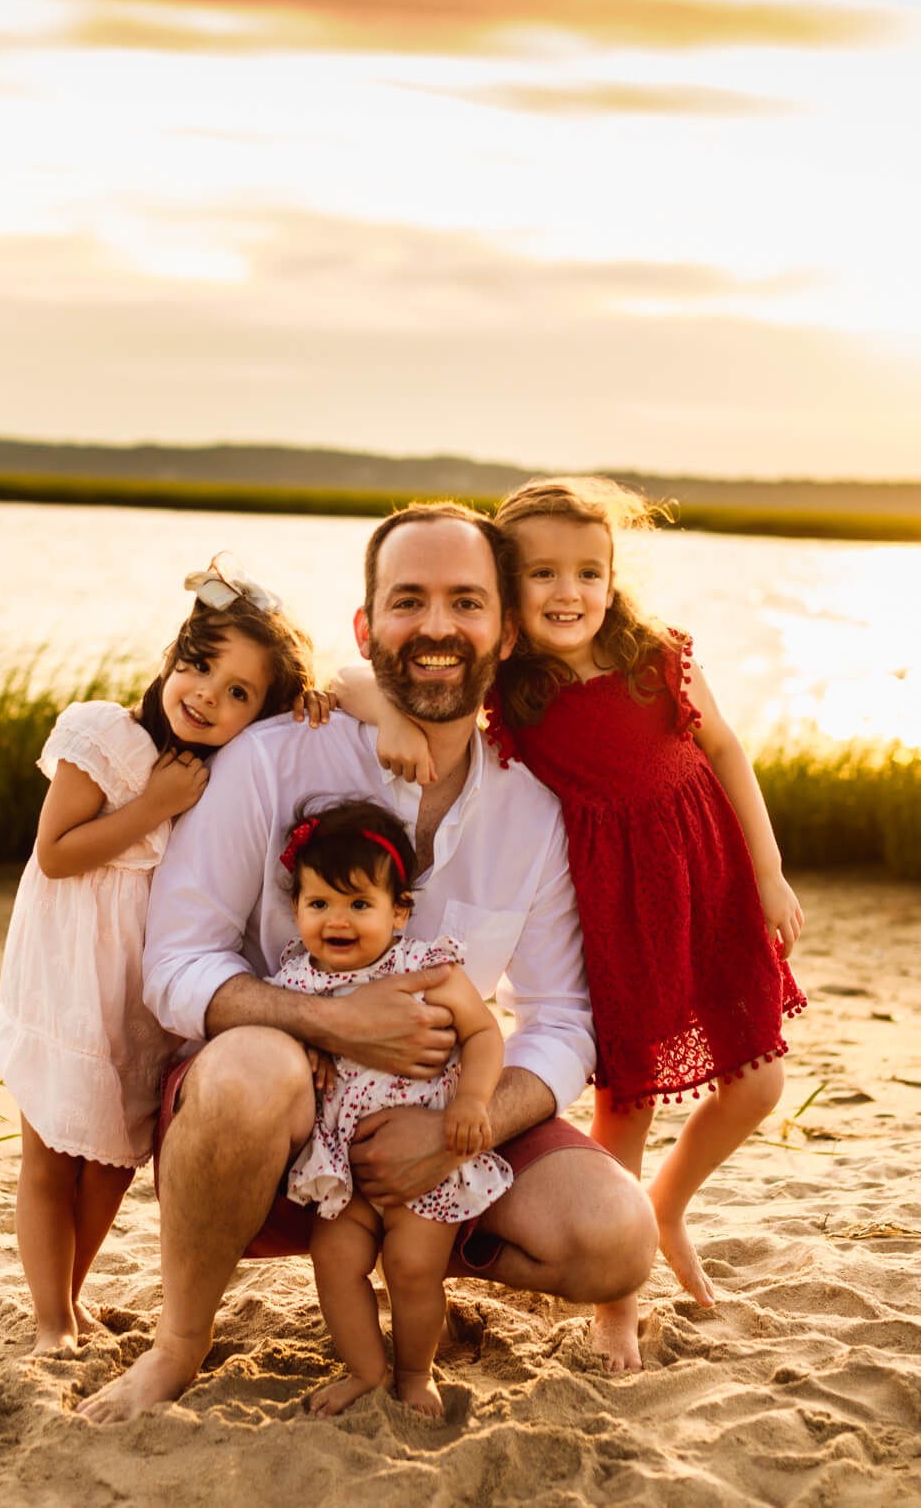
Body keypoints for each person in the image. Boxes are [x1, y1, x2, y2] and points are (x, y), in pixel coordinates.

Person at [78, 503, 658, 1422]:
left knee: (619, 1236)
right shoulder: (274, 757)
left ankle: (413, 1249)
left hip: (431, 1133)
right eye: (408, 601)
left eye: (465, 602)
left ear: (505, 633)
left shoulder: (534, 810)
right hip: (269, 1128)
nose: (435, 627)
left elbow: (561, 1022)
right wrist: (326, 1019)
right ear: (365, 627)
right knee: (250, 1069)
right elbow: (176, 965)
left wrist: (458, 1133)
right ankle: (178, 1343)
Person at [341, 477, 806, 1372]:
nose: (568, 592)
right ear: (509, 593)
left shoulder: (657, 657)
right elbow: (355, 673)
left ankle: (666, 1204)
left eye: (588, 572)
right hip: (614, 906)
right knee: (622, 1099)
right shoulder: (512, 689)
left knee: (759, 1082)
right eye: (544, 573)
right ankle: (617, 1301)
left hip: (706, 883)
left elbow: (725, 751)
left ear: (611, 578)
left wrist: (769, 870)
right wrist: (390, 710)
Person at [0, 554, 317, 1354]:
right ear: (171, 658)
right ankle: (48, 1318)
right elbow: (59, 853)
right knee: (49, 1153)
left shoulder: (222, 773)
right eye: (199, 667)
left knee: (109, 1161)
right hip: (67, 981)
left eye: (239, 692)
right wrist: (154, 805)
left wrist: (319, 702)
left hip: (134, 996)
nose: (207, 694)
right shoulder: (105, 734)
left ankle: (71, 1293)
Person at [273, 798, 514, 1419]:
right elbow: (279, 1039)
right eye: (318, 903)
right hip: (345, 1169)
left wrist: (472, 1100)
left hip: (425, 1164)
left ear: (400, 911)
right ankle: (365, 1370)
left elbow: (485, 1034)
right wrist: (307, 1046)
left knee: (411, 1269)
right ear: (296, 908)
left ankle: (414, 1373)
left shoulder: (428, 969)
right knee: (335, 1261)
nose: (337, 920)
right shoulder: (297, 984)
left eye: (359, 904)